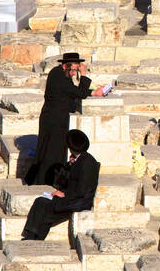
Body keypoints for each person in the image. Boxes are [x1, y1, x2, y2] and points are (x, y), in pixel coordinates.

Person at [26, 51, 107, 186]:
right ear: (66, 66)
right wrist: (84, 75)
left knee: (51, 151)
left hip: (53, 118)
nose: (75, 73)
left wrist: (93, 92)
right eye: (74, 70)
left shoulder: (58, 73)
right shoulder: (59, 77)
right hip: (54, 120)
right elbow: (78, 92)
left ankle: (45, 180)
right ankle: (46, 181)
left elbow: (71, 90)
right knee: (51, 153)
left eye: (77, 70)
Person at [21, 129, 100, 240]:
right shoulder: (78, 160)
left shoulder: (87, 163)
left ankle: (33, 237)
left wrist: (64, 195)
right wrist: (69, 165)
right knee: (41, 202)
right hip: (72, 198)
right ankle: (32, 236)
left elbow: (82, 190)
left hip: (77, 201)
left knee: (44, 206)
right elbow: (62, 182)